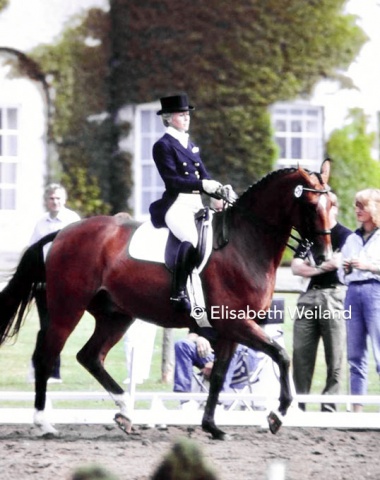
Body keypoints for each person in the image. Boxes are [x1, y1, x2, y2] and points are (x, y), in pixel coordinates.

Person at [149, 93, 222, 312]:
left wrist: (219, 190)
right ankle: (178, 292)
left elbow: (204, 174)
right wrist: (202, 186)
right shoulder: (163, 145)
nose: (187, 117)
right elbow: (172, 181)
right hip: (177, 204)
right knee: (191, 238)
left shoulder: (189, 144)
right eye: (182, 114)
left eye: (187, 114)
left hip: (197, 204)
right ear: (169, 118)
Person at [291, 192, 351, 412]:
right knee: (300, 353)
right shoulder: (309, 236)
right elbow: (296, 267)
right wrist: (320, 267)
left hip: (334, 296)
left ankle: (330, 406)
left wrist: (312, 268)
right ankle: (299, 404)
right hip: (308, 296)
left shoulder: (346, 235)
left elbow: (338, 264)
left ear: (334, 208)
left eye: (326, 206)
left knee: (334, 354)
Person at [28, 183, 81, 383]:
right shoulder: (41, 223)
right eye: (52, 198)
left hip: (66, 280)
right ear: (47, 200)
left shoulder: (72, 220)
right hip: (44, 279)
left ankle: (52, 371)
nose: (55, 201)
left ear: (64, 200)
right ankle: (43, 369)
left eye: (58, 198)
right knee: (45, 326)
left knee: (56, 327)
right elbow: (33, 250)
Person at [340, 188, 380, 412]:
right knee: (355, 354)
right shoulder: (352, 239)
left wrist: (370, 267)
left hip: (376, 291)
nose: (357, 210)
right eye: (357, 205)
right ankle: (357, 410)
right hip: (352, 292)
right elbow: (339, 274)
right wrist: (345, 269)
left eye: (362, 206)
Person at [174, 329, 262, 410]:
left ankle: (217, 402)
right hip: (212, 359)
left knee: (232, 342)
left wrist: (217, 363)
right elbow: (191, 335)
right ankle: (185, 401)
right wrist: (199, 338)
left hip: (242, 362)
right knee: (182, 344)